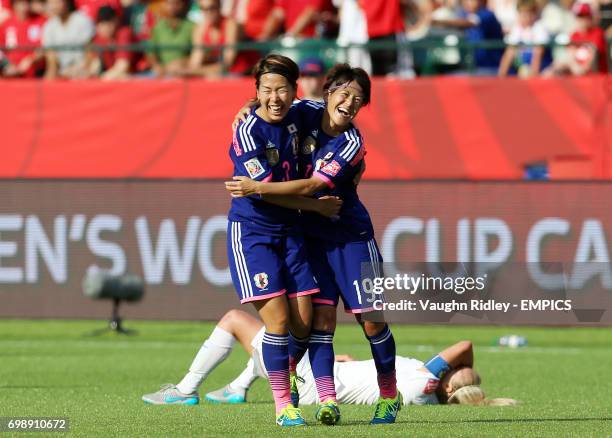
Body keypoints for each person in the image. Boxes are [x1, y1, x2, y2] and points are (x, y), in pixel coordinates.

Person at [226, 64, 402, 426]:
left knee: (371, 322)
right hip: (311, 235)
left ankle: (389, 394)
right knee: (318, 321)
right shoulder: (303, 111)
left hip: (350, 237)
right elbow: (271, 103)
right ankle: (324, 399)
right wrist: (248, 105)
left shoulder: (351, 142)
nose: (350, 103)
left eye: (358, 99)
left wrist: (256, 187)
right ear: (327, 93)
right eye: (344, 93)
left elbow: (311, 189)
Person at [225, 54, 345, 427]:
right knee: (277, 322)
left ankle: (284, 370)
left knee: (303, 324)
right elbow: (262, 194)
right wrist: (315, 207)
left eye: (281, 89)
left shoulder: (300, 113)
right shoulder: (247, 132)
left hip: (291, 232)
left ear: (294, 90)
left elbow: (334, 110)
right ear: (256, 91)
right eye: (266, 90)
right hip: (254, 234)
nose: (274, 98)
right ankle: (283, 404)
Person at [142, 308, 518, 407]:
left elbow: (464, 343)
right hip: (326, 379)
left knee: (238, 321)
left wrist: (459, 366)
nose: (450, 364)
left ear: (447, 379)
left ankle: (186, 389)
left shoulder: (424, 383)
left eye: (455, 370)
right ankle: (239, 388)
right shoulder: (421, 391)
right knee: (281, 340)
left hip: (310, 386)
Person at [432, 0, 504, 75]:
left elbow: (468, 23)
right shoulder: (463, 14)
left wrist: (435, 22)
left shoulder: (487, 14)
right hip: (473, 67)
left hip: (492, 68)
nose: (467, 3)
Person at [546, 2, 607, 75]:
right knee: (555, 68)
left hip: (596, 77)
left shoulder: (598, 33)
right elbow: (571, 57)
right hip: (577, 74)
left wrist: (578, 69)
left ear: (591, 17)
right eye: (580, 16)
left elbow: (590, 63)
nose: (583, 20)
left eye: (586, 16)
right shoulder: (574, 35)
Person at [42, 0, 95, 79]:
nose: (54, 6)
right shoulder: (49, 26)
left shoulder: (83, 21)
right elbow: (52, 62)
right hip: (62, 74)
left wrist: (77, 71)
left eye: (57, 2)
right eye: (51, 3)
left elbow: (90, 55)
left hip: (83, 72)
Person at [498, 0, 552, 77]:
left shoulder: (539, 28)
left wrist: (533, 76)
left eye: (529, 15)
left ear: (535, 15)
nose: (526, 18)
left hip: (542, 68)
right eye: (523, 15)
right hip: (523, 67)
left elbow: (538, 53)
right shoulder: (516, 29)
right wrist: (501, 76)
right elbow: (509, 53)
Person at [0, 0, 46, 78]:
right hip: (10, 72)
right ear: (14, 5)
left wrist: (31, 60)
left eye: (27, 2)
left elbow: (46, 47)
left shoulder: (41, 21)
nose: (24, 6)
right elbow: (1, 51)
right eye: (20, 3)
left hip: (36, 71)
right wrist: (6, 65)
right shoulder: (6, 25)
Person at [147, 0, 194, 77]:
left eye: (177, 3)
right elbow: (150, 53)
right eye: (169, 3)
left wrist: (182, 63)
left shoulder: (193, 27)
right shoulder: (157, 27)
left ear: (184, 5)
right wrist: (157, 66)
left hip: (185, 72)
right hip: (162, 73)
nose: (173, 6)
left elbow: (198, 55)